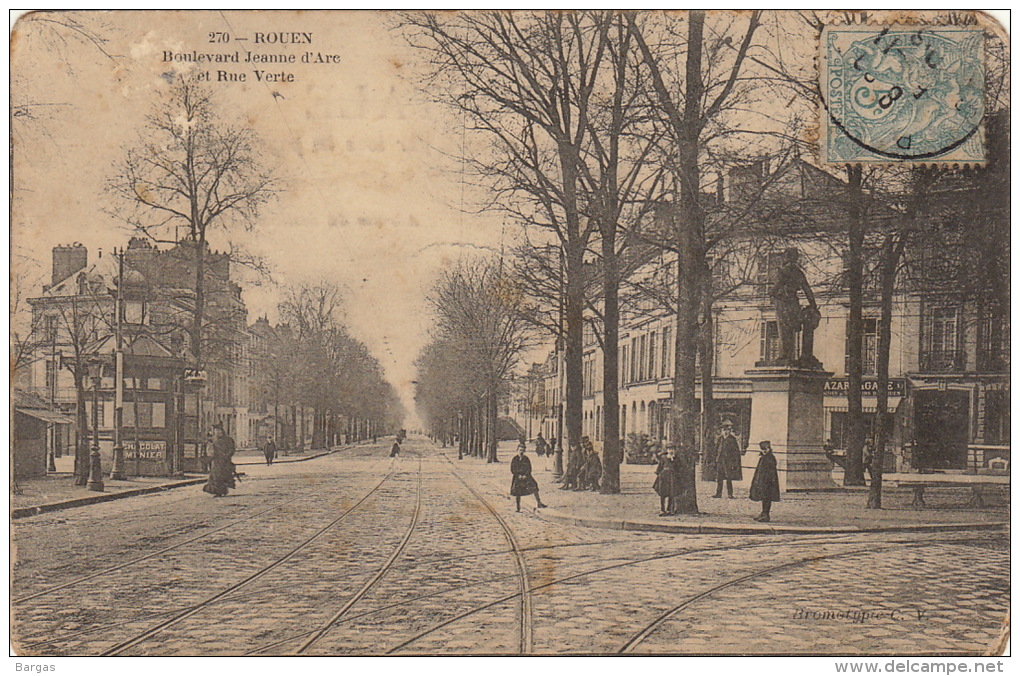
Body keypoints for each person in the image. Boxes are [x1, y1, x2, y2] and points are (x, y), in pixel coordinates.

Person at [749, 440, 780, 522]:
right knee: (764, 498)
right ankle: (763, 513)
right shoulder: (763, 458)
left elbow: (771, 472)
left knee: (767, 499)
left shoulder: (770, 458)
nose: (765, 450)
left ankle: (766, 515)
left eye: (766, 449)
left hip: (768, 483)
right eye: (763, 449)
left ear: (769, 448)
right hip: (762, 482)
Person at [203, 423, 237, 498]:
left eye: (219, 431)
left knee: (224, 476)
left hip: (225, 461)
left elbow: (232, 449)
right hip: (216, 461)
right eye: (215, 431)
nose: (217, 432)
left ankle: (223, 490)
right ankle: (217, 491)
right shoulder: (213, 440)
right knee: (216, 476)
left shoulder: (228, 440)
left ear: (222, 431)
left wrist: (227, 455)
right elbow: (210, 450)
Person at [510, 444, 547, 512]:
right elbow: (512, 469)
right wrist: (518, 475)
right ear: (517, 450)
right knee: (517, 491)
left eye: (523, 450)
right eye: (520, 450)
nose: (521, 452)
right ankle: (518, 507)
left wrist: (526, 475)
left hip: (526, 476)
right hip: (518, 477)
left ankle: (539, 503)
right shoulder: (515, 459)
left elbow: (529, 468)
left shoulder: (526, 458)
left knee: (534, 486)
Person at [712, 421, 744, 498]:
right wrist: (715, 460)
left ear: (730, 431)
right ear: (722, 431)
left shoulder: (732, 440)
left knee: (729, 478)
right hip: (720, 461)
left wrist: (734, 464)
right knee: (719, 478)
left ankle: (730, 494)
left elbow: (736, 453)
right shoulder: (720, 439)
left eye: (727, 430)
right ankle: (718, 493)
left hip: (729, 462)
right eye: (724, 430)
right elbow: (716, 450)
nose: (725, 432)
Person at [653, 446, 679, 516]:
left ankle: (669, 509)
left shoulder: (676, 459)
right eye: (669, 449)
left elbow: (678, 468)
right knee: (663, 493)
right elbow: (660, 466)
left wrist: (673, 460)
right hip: (664, 477)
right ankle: (662, 509)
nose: (671, 451)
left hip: (672, 477)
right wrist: (658, 473)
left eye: (672, 449)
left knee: (671, 493)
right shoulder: (663, 458)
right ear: (667, 450)